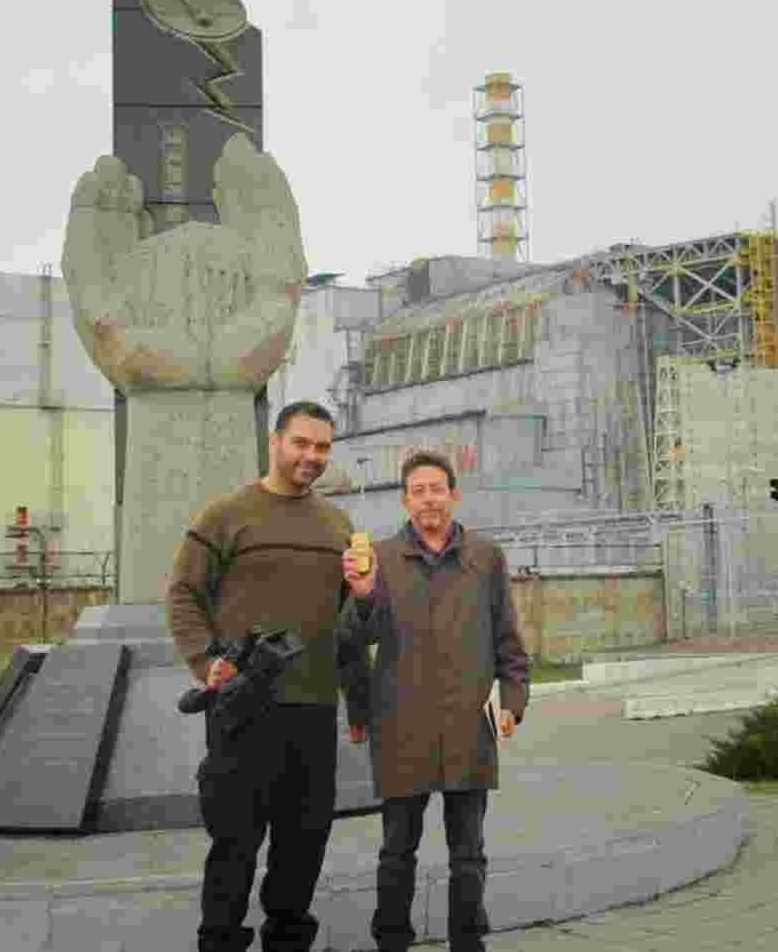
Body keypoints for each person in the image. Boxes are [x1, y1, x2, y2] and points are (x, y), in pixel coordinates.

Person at [166, 400, 370, 952]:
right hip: (243, 709)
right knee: (235, 846)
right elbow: (183, 593)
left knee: (304, 844)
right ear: (276, 442)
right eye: (302, 443)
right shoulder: (226, 515)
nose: (312, 455)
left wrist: (359, 701)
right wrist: (205, 659)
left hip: (314, 709)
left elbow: (351, 624)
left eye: (323, 447)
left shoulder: (338, 524)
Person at [337, 449, 530, 952]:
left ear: (453, 494)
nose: (428, 499)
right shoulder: (378, 560)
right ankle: (391, 942)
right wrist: (361, 596)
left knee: (469, 854)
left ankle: (469, 943)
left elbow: (508, 638)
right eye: (418, 491)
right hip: (401, 728)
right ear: (405, 500)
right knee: (397, 851)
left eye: (436, 489)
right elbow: (353, 643)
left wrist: (512, 700)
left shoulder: (486, 557)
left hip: (469, 727)